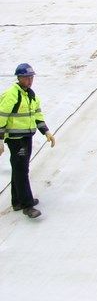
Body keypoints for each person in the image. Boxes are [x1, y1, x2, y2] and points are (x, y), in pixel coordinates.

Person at [0, 63, 56, 219]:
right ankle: (27, 205)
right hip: (16, 139)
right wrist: (0, 139)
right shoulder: (12, 94)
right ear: (19, 78)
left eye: (31, 77)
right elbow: (1, 117)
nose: (30, 80)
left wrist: (46, 132)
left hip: (26, 137)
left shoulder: (30, 95)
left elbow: (37, 115)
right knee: (22, 170)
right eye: (26, 78)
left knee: (19, 168)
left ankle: (17, 201)